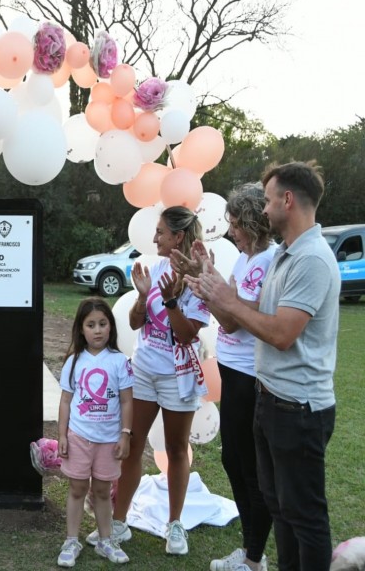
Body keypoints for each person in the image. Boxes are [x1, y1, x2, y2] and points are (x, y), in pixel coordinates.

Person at [187, 162, 339, 571]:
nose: (265, 209)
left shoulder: (311, 260)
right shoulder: (289, 256)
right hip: (272, 400)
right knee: (280, 507)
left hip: (299, 409)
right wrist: (213, 280)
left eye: (269, 200)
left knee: (303, 516)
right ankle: (264, 559)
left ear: (287, 200)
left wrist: (227, 299)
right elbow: (256, 311)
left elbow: (281, 333)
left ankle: (256, 558)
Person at [173, 184, 276, 571]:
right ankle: (253, 552)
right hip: (233, 372)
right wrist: (203, 279)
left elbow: (233, 319)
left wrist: (206, 284)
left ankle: (253, 558)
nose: (231, 231)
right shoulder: (246, 261)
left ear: (251, 222)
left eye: (235, 224)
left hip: (252, 376)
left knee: (247, 464)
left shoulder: (271, 261)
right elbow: (228, 315)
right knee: (234, 460)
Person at [111, 206, 209, 557]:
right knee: (132, 447)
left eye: (160, 232)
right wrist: (141, 297)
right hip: (144, 371)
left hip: (177, 377)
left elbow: (186, 335)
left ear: (178, 237)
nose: (154, 238)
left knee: (176, 449)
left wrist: (170, 300)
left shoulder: (199, 276)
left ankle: (175, 524)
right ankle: (118, 522)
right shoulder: (155, 267)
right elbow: (137, 324)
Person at [56, 297, 133, 567]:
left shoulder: (120, 361)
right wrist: (63, 435)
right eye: (91, 325)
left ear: (111, 327)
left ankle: (106, 540)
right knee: (77, 488)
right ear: (81, 329)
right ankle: (71, 540)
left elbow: (126, 400)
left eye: (103, 323)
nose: (98, 330)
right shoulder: (74, 362)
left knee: (102, 490)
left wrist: (125, 434)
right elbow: (65, 401)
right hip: (79, 437)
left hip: (109, 441)